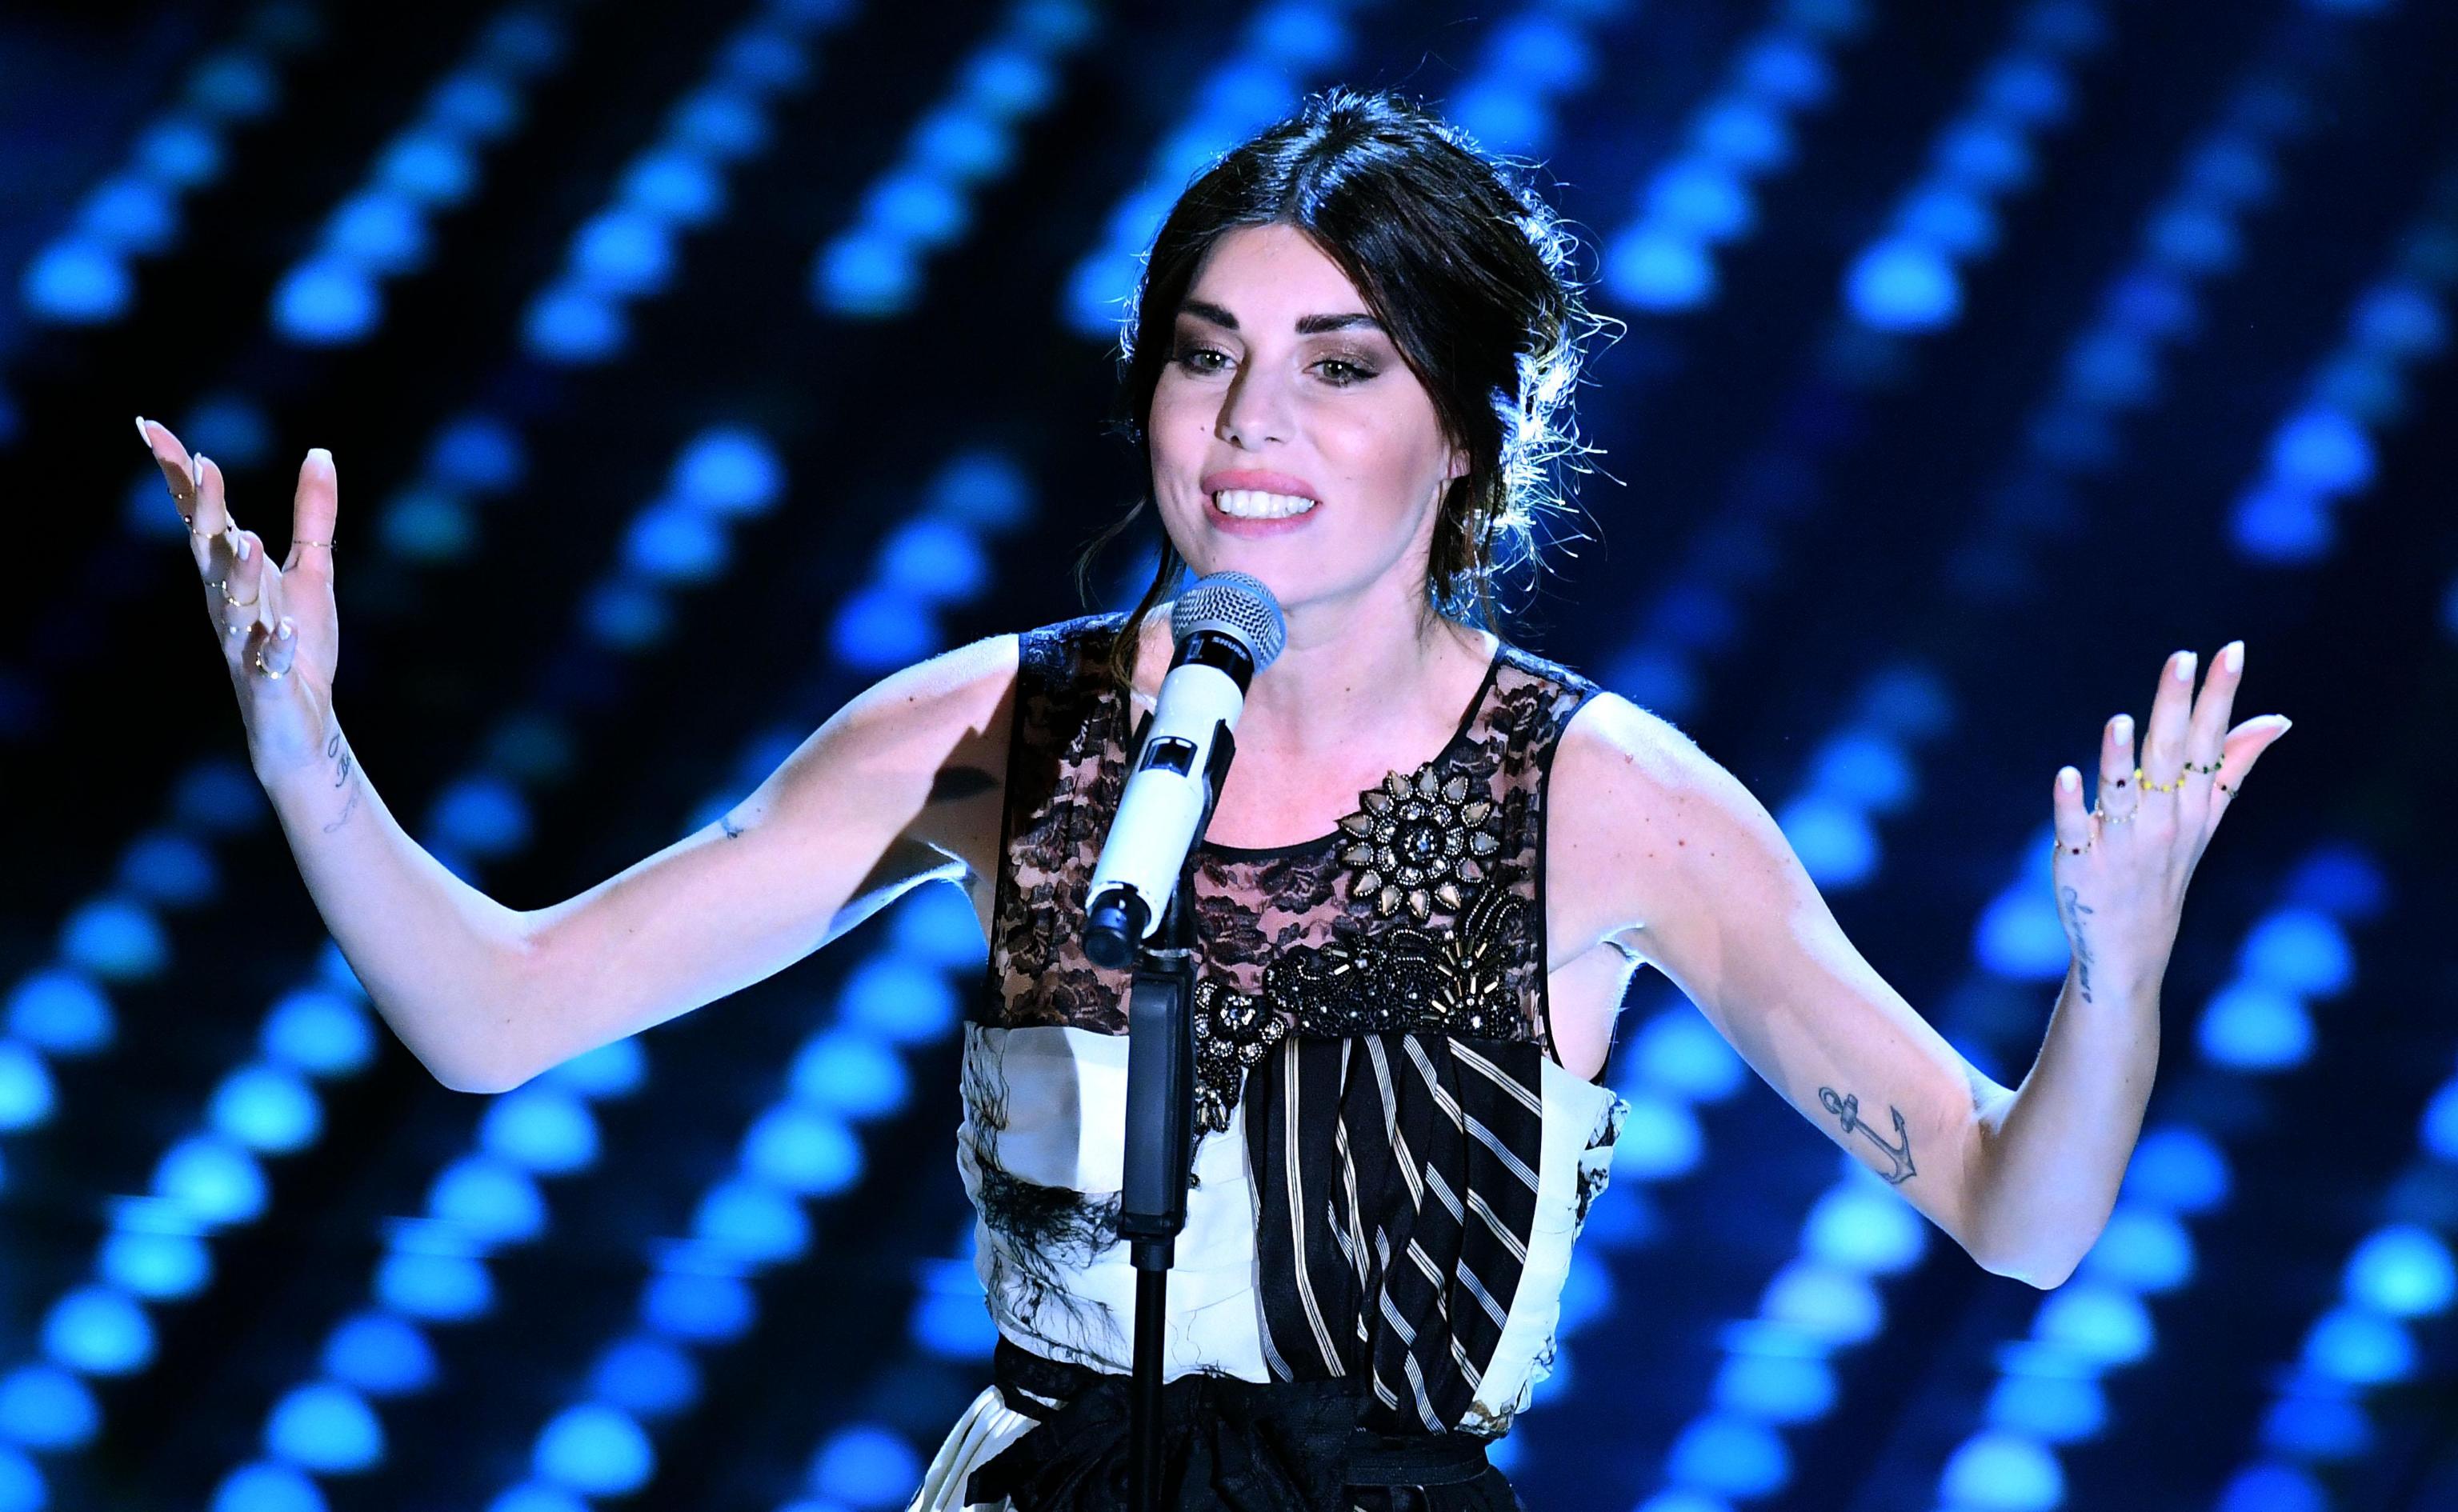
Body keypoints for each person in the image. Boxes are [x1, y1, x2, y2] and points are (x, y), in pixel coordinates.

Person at [141, 85, 2288, 1512]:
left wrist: (2115, 978)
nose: (1254, 420)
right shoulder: (997, 732)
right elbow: (496, 1014)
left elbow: (2017, 1212)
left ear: (1467, 432)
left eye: (1343, 364)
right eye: (1205, 350)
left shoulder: (1609, 802)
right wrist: (308, 754)